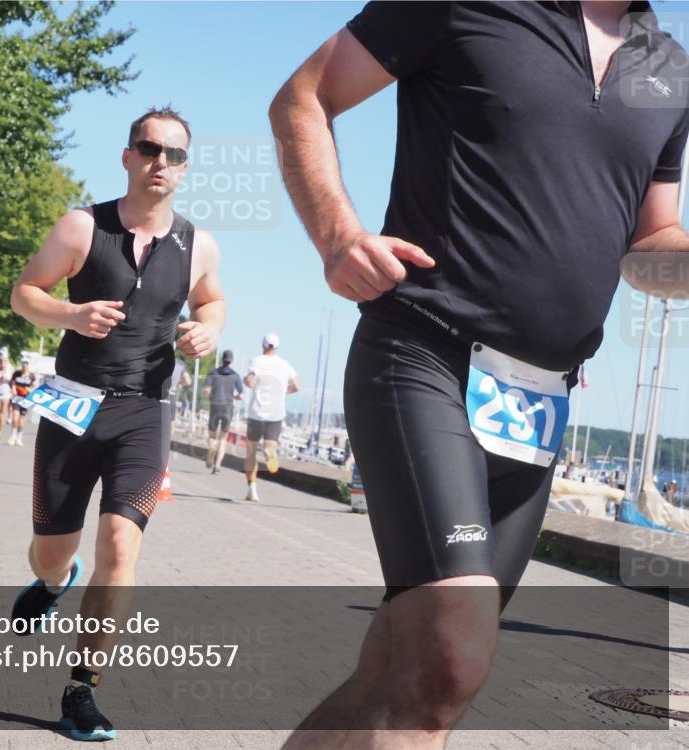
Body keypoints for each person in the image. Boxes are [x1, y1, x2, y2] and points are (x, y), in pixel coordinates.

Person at [269, 2, 689, 747]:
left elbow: (652, 236)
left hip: (539, 402)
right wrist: (337, 235)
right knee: (450, 665)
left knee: (399, 675)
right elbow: (305, 95)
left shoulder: (672, 70)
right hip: (424, 355)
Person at [9, 106, 225, 742]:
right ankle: (52, 584)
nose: (161, 162)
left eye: (174, 154)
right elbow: (25, 292)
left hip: (145, 411)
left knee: (122, 548)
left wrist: (208, 329)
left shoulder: (198, 244)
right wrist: (69, 316)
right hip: (73, 404)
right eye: (149, 148)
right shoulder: (83, 227)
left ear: (184, 169)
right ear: (128, 156)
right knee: (55, 551)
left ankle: (82, 690)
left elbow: (212, 298)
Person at [242, 333, 299, 502]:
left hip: (256, 412)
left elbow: (251, 382)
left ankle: (252, 487)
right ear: (277, 347)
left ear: (263, 345)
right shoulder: (284, 365)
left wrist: (247, 381)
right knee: (270, 445)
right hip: (276, 413)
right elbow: (296, 386)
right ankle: (270, 451)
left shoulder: (256, 361)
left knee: (251, 452)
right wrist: (283, 393)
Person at [203, 349, 244, 474]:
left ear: (222, 359)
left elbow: (205, 390)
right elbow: (241, 396)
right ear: (231, 361)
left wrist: (210, 395)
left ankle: (211, 450)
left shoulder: (213, 373)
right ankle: (218, 466)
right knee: (223, 438)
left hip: (215, 404)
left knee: (212, 435)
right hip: (228, 407)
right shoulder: (235, 376)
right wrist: (234, 398)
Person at [7, 360, 38, 447]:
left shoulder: (31, 376)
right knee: (15, 418)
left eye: (26, 366)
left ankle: (19, 436)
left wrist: (30, 390)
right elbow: (12, 383)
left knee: (21, 420)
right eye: (23, 366)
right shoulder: (17, 373)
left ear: (28, 366)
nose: (24, 367)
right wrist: (13, 388)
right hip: (17, 398)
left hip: (26, 400)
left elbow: (34, 387)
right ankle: (13, 435)